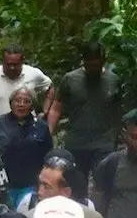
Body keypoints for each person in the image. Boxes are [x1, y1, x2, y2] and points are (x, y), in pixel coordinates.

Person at [46, 41, 123, 191]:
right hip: (76, 142)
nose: (92, 69)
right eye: (89, 65)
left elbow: (117, 110)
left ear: (103, 61)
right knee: (76, 186)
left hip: (104, 143)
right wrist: (48, 133)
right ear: (83, 61)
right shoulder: (70, 79)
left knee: (104, 184)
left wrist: (119, 135)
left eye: (96, 65)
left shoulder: (113, 80)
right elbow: (56, 107)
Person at [0, 85, 54, 206]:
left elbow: (48, 156)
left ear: (32, 105)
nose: (21, 104)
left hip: (31, 184)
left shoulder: (41, 126)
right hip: (4, 185)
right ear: (11, 103)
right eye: (17, 100)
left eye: (27, 101)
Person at [0, 43, 55, 123]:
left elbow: (50, 87)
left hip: (27, 127)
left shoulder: (33, 74)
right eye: (9, 64)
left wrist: (45, 111)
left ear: (22, 61)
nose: (12, 68)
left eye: (15, 64)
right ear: (2, 61)